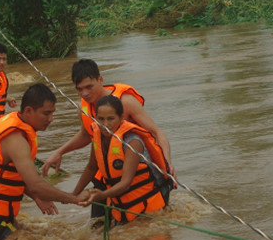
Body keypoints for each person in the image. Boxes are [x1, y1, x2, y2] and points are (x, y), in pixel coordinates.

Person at [0, 83, 90, 240]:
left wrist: (35, 196)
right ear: (29, 111)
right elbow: (36, 185)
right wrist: (74, 199)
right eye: (46, 113)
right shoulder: (15, 139)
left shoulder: (16, 123)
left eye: (52, 113)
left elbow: (10, 175)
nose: (51, 119)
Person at [42, 59, 175, 194]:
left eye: (89, 87)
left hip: (138, 174)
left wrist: (168, 163)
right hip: (108, 174)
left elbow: (157, 132)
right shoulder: (83, 108)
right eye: (79, 89)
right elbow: (86, 135)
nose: (84, 93)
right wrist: (60, 152)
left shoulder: (125, 102)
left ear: (100, 80)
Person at [75, 95, 172, 223]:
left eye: (111, 119)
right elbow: (91, 167)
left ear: (121, 118)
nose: (105, 124)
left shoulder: (132, 142)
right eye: (100, 119)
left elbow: (126, 183)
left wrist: (102, 195)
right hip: (121, 204)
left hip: (148, 206)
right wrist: (73, 195)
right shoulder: (97, 136)